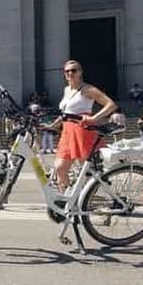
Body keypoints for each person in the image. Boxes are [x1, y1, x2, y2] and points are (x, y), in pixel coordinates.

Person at [49, 60, 116, 190]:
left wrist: (94, 118)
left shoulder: (87, 89)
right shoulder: (66, 90)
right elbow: (66, 111)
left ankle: (84, 197)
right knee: (59, 167)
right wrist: (54, 124)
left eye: (73, 70)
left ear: (80, 72)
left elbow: (110, 104)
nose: (70, 73)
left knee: (85, 170)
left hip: (82, 130)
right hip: (67, 131)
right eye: (67, 71)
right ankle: (68, 197)